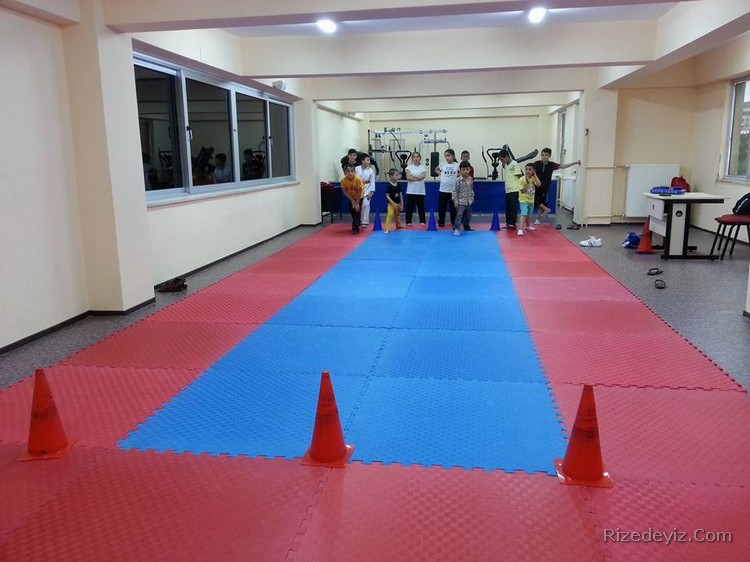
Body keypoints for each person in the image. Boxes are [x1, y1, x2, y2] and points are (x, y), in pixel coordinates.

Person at [533, 148, 580, 224]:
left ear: (549, 156)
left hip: (545, 187)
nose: (544, 157)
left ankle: (538, 219)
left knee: (541, 202)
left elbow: (563, 166)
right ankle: (546, 209)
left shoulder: (551, 165)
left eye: (546, 155)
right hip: (536, 185)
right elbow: (531, 170)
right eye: (542, 155)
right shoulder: (536, 163)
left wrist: (575, 162)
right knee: (535, 201)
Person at [500, 149, 523, 230]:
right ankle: (508, 223)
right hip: (508, 190)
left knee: (513, 207)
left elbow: (520, 176)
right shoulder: (506, 165)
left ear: (506, 156)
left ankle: (512, 223)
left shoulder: (514, 164)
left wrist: (521, 187)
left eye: (502, 159)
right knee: (508, 207)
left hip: (514, 189)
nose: (502, 162)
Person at [436, 148, 459, 227]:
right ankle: (441, 221)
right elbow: (436, 169)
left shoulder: (457, 165)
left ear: (453, 156)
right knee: (442, 207)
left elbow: (461, 172)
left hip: (453, 190)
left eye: (448, 156)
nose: (447, 157)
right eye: (445, 156)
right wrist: (441, 173)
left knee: (453, 208)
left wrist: (457, 175)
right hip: (443, 189)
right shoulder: (443, 164)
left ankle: (453, 221)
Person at [517, 163, 541, 236]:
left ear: (533, 171)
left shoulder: (533, 178)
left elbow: (539, 184)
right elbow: (522, 191)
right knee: (524, 214)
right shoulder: (522, 179)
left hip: (531, 200)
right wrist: (527, 183)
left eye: (530, 169)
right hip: (523, 200)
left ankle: (528, 226)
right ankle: (520, 229)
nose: (527, 171)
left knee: (529, 215)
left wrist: (535, 175)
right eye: (526, 169)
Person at [452, 161, 475, 236]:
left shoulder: (471, 179)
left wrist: (472, 197)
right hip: (460, 201)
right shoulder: (458, 180)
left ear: (469, 169)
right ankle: (456, 228)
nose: (465, 171)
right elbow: (454, 191)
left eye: (467, 169)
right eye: (463, 169)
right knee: (459, 215)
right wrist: (455, 200)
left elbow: (471, 189)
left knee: (468, 215)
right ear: (460, 170)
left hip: (469, 201)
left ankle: (466, 226)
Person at [341, 164, 365, 234]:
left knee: (356, 210)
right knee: (351, 210)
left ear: (354, 172)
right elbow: (344, 191)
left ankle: (355, 228)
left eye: (352, 171)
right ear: (345, 172)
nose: (350, 173)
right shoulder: (343, 180)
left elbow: (359, 191)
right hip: (351, 196)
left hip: (359, 196)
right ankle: (357, 222)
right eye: (348, 171)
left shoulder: (357, 179)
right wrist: (352, 200)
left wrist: (357, 203)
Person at [405, 152, 427, 226]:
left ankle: (422, 221)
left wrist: (413, 176)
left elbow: (422, 176)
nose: (416, 158)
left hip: (420, 190)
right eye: (414, 157)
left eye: (417, 157)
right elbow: (408, 177)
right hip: (411, 190)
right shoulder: (409, 167)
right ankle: (408, 221)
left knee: (421, 206)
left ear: (420, 158)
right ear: (412, 158)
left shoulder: (422, 167)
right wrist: (418, 178)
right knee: (410, 206)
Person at [356, 155, 376, 228]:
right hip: (357, 189)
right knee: (357, 206)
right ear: (362, 161)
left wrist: (371, 191)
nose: (368, 162)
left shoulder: (370, 170)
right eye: (367, 160)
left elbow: (372, 181)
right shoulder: (356, 169)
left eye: (369, 160)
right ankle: (357, 221)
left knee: (365, 204)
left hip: (367, 188)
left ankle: (364, 222)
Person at [384, 168, 403, 233]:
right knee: (390, 214)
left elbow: (400, 195)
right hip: (391, 204)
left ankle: (398, 225)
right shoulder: (389, 186)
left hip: (398, 203)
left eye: (398, 175)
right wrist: (393, 203)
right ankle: (387, 228)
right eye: (396, 175)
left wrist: (402, 204)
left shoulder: (398, 185)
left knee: (397, 215)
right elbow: (387, 196)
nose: (397, 177)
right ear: (391, 176)